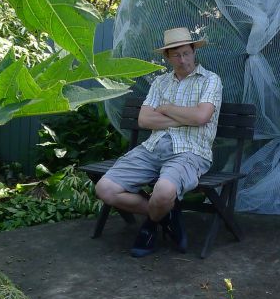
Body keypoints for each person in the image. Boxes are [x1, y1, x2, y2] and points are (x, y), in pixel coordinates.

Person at [95, 27, 222, 257]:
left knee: (163, 192)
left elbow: (202, 117)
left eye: (186, 53)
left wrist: (166, 110)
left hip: (190, 152)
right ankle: (166, 214)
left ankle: (150, 225)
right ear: (167, 57)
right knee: (105, 189)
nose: (182, 60)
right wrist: (185, 118)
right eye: (176, 55)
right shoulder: (160, 83)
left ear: (194, 51)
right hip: (151, 149)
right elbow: (144, 120)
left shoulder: (210, 80)